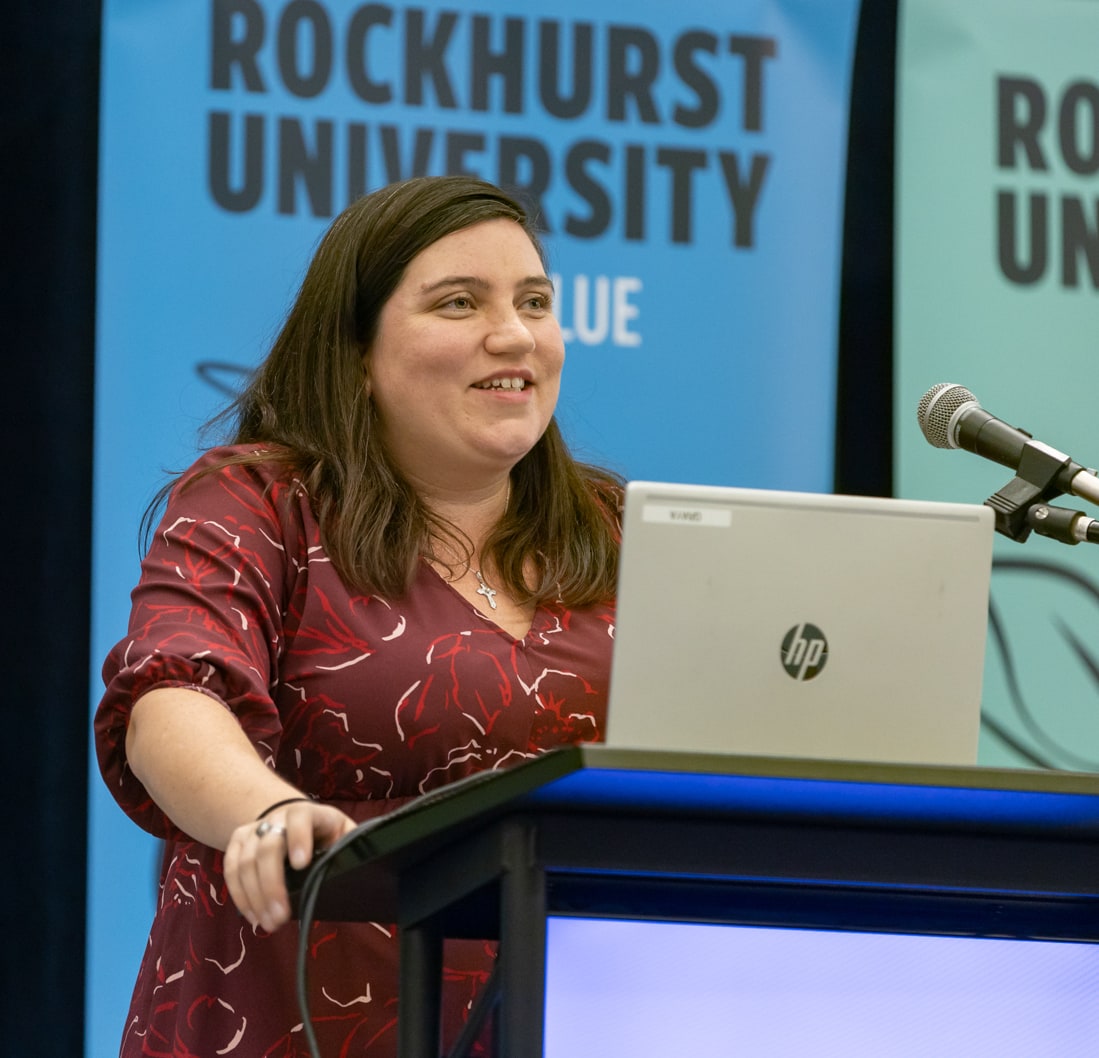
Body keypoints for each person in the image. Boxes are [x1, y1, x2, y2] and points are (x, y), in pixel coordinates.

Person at [95, 174, 623, 1057]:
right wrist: (268, 812)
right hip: (291, 1018)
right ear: (355, 356)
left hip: (570, 1015)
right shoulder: (259, 502)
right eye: (459, 303)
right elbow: (171, 696)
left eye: (535, 301)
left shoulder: (616, 530)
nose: (515, 334)